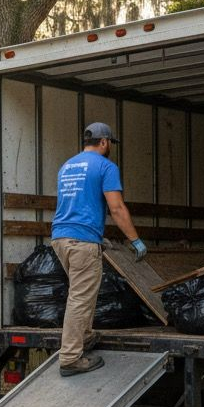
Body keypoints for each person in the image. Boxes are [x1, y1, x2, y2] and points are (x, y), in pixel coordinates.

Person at [51, 122, 146, 377]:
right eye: (110, 144)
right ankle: (70, 357)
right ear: (104, 142)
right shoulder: (106, 166)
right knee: (81, 297)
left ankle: (85, 335)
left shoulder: (67, 166)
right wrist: (134, 239)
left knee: (83, 290)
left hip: (60, 238)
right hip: (82, 241)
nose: (109, 148)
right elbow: (116, 208)